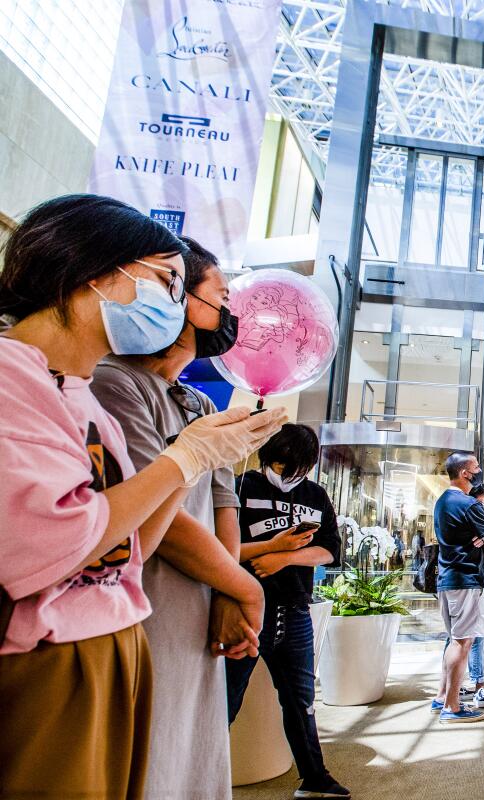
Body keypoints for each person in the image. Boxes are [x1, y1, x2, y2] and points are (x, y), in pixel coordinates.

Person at [0, 194, 284, 798]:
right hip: (46, 650)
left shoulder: (79, 397)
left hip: (115, 640)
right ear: (94, 273)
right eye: (166, 282)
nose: (177, 306)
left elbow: (131, 545)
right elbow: (60, 541)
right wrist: (186, 459)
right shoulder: (13, 380)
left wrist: (191, 462)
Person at [91, 236, 265, 800]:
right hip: (145, 605)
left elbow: (222, 506)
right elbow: (154, 512)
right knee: (151, 759)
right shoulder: (114, 382)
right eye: (221, 296)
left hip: (201, 611)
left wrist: (225, 597)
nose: (228, 313)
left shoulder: (199, 404)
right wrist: (244, 587)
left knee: (194, 756)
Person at [226, 424, 350, 798]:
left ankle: (314, 776)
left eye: (294, 468)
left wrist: (283, 557)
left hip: (295, 611)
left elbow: (331, 550)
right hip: (242, 608)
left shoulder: (315, 495)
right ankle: (198, 776)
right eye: (279, 466)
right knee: (225, 698)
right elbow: (220, 548)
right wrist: (266, 549)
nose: (285, 475)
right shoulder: (241, 487)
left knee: (300, 700)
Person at [431, 452, 484, 722]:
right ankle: (452, 706)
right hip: (466, 579)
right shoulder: (468, 504)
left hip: (447, 578)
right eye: (476, 466)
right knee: (462, 642)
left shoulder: (442, 501)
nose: (479, 470)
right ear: (466, 473)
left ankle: (442, 696)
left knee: (453, 640)